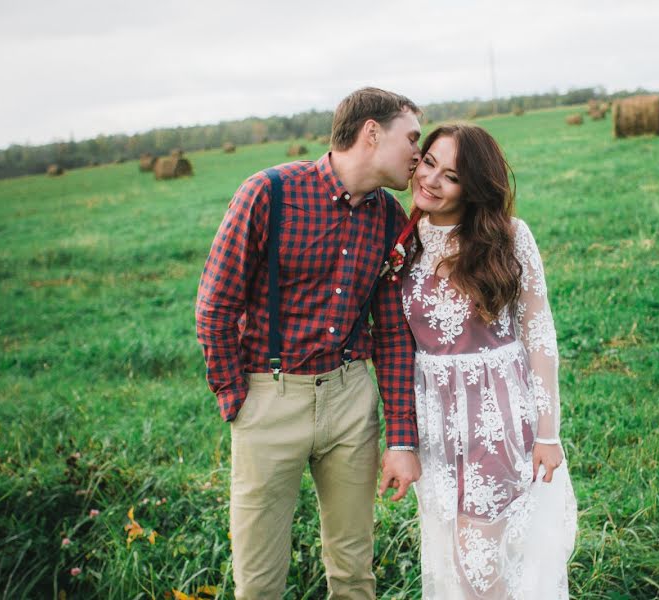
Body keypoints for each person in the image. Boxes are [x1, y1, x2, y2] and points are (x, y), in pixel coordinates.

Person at [195, 87, 423, 599]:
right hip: (268, 401)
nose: (418, 152)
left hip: (349, 401)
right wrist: (238, 400)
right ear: (371, 133)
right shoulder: (268, 193)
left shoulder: (389, 217)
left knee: (354, 571)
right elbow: (215, 305)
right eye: (411, 138)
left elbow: (390, 333)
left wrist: (401, 438)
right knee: (258, 579)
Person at [401, 124, 577, 598]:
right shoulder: (403, 242)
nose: (432, 180)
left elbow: (538, 336)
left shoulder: (510, 237)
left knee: (478, 558)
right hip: (435, 424)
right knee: (453, 555)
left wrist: (548, 431)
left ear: (474, 187)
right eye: (430, 162)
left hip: (495, 416)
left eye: (452, 176)